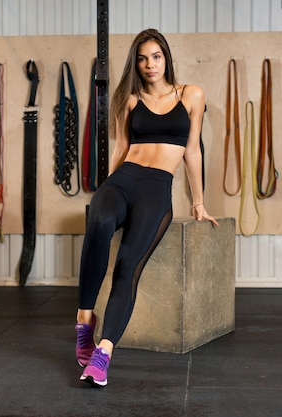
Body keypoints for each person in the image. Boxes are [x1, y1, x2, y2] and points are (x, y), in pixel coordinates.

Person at [75, 28, 218, 388]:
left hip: (157, 189)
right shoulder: (130, 99)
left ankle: (103, 354)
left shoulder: (191, 95)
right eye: (142, 58)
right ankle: (84, 321)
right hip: (123, 180)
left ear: (166, 57)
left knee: (127, 266)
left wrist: (198, 202)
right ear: (135, 64)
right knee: (99, 222)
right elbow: (122, 147)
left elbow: (193, 151)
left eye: (156, 56)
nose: (150, 64)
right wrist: (105, 189)